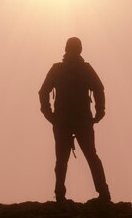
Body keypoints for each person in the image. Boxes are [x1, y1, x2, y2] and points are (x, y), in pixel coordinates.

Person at [38, 37, 111, 204]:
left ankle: (60, 195)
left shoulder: (58, 69)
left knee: (62, 159)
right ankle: (104, 194)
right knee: (90, 156)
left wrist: (50, 116)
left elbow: (43, 93)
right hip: (79, 120)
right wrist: (99, 112)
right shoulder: (85, 69)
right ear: (80, 50)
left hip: (64, 121)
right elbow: (99, 89)